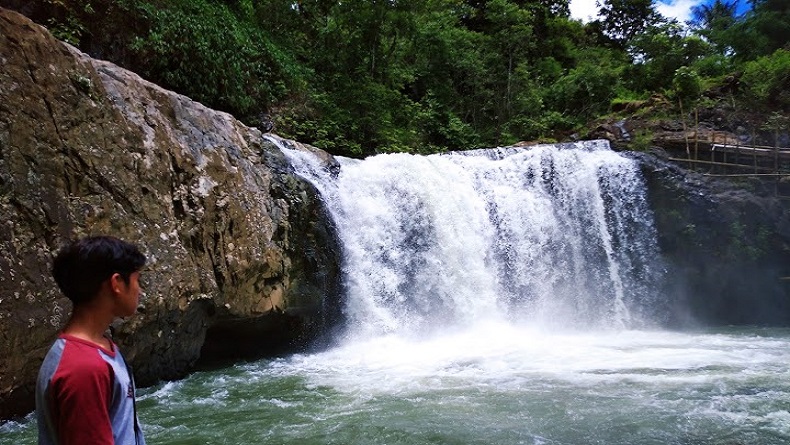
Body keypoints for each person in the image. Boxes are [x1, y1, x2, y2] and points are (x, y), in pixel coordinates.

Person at [36, 235, 147, 445]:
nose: (139, 290)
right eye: (136, 280)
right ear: (116, 283)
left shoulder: (99, 349)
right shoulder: (83, 368)